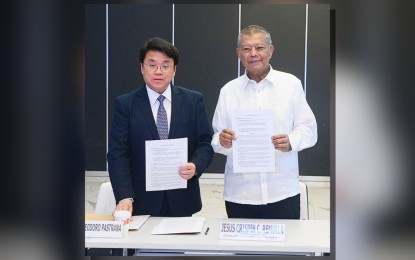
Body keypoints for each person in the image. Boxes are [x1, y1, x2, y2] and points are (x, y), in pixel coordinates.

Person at [107, 37, 214, 255]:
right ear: (141, 67)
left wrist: (195, 166)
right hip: (140, 201)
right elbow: (118, 154)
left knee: (176, 253)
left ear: (174, 69)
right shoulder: (126, 104)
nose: (159, 71)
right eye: (152, 64)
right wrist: (125, 196)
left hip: (181, 198)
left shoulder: (194, 101)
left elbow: (205, 143)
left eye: (165, 66)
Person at [211, 25, 317, 219]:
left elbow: (308, 128)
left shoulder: (291, 85)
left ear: (271, 50)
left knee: (283, 249)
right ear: (238, 53)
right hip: (240, 194)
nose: (253, 54)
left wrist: (291, 141)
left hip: (282, 191)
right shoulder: (228, 91)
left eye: (259, 48)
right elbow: (217, 137)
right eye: (246, 49)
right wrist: (222, 140)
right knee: (243, 249)